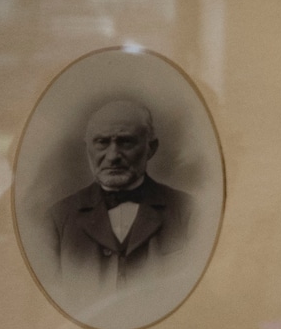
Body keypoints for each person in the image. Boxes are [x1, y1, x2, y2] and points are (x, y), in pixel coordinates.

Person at [47, 98, 192, 286]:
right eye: (102, 142)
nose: (113, 156)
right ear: (87, 149)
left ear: (151, 148)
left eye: (126, 142)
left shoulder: (189, 211)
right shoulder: (57, 219)